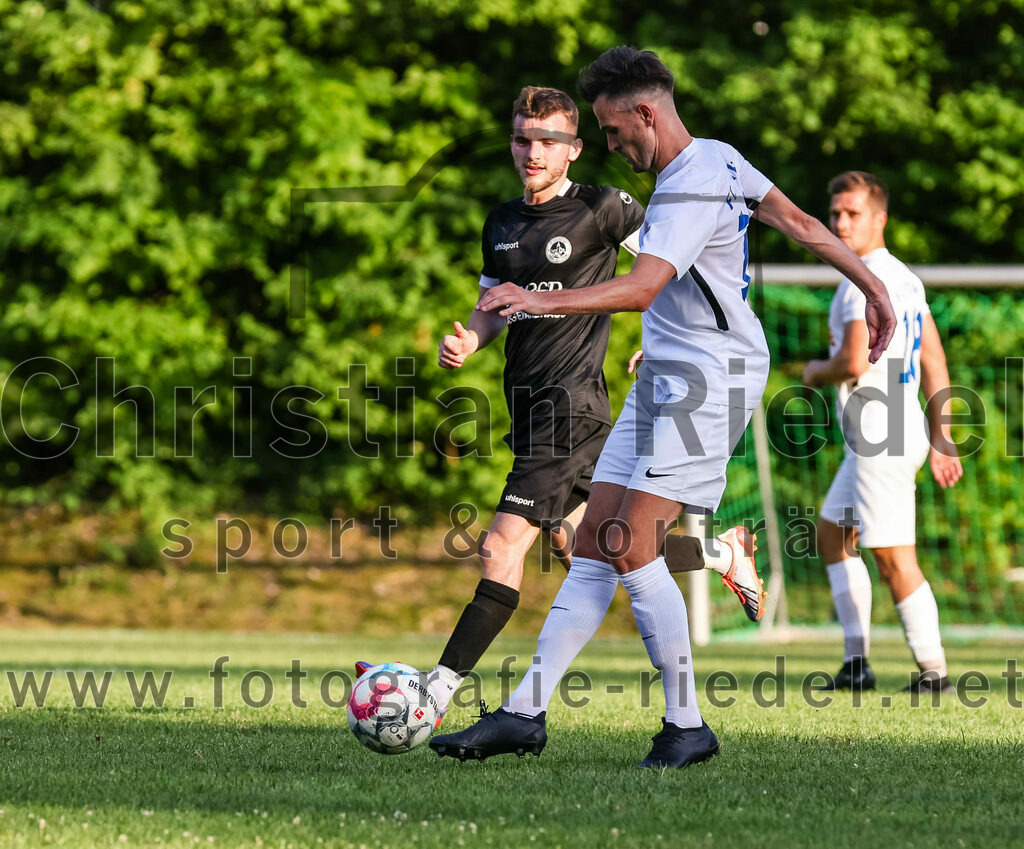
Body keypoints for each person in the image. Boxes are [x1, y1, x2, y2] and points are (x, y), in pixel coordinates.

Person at [429, 47, 897, 768]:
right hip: (673, 370)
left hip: (710, 375)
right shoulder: (720, 156)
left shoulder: (684, 185)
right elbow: (799, 222)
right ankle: (524, 712)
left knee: (628, 540)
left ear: (646, 113)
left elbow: (643, 286)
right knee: (591, 544)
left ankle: (686, 724)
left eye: (615, 132)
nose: (613, 146)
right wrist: (872, 282)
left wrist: (535, 297)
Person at [396, 86, 766, 728]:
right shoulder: (501, 223)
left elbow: (675, 266)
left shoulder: (603, 209)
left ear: (573, 150)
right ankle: (718, 555)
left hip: (572, 411)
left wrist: (671, 339)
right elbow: (493, 311)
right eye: (522, 139)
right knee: (591, 546)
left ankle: (436, 692)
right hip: (530, 410)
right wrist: (468, 341)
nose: (532, 152)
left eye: (548, 142)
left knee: (499, 551)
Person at [803, 171, 963, 695]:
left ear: (880, 218)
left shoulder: (863, 277)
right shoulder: (906, 278)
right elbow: (934, 358)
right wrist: (941, 439)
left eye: (853, 213)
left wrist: (813, 371)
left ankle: (934, 673)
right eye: (836, 213)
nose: (841, 222)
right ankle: (857, 664)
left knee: (895, 558)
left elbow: (850, 361)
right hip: (894, 433)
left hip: (881, 438)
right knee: (832, 535)